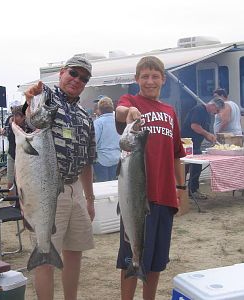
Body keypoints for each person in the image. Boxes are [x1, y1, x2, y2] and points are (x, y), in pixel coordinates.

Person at [23, 55, 96, 300]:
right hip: (46, 189)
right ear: (62, 72)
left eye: (84, 78)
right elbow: (25, 120)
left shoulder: (86, 116)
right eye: (73, 73)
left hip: (75, 189)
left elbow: (88, 160)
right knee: (45, 255)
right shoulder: (46, 98)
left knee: (74, 251)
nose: (77, 80)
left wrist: (90, 199)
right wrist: (29, 99)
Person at [115, 56, 186, 300]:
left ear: (163, 80)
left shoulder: (170, 112)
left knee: (155, 262)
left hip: (165, 196)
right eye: (144, 76)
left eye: (155, 76)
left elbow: (177, 154)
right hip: (136, 197)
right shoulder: (132, 102)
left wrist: (182, 187)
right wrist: (129, 112)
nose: (150, 81)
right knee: (131, 258)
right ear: (137, 80)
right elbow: (120, 110)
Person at [181, 97, 225, 199]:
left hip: (195, 144)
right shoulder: (199, 110)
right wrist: (207, 134)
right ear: (213, 106)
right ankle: (180, 190)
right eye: (217, 111)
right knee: (185, 167)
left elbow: (205, 131)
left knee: (196, 167)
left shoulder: (207, 115)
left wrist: (211, 137)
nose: (216, 113)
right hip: (187, 143)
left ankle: (192, 190)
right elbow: (195, 126)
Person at [2, 105, 31, 195]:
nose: (14, 118)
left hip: (24, 157)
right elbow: (7, 133)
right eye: (13, 115)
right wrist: (3, 132)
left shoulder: (29, 126)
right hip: (11, 153)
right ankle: (11, 202)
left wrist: (13, 126)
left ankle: (23, 200)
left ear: (23, 116)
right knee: (10, 179)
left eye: (16, 116)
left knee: (23, 181)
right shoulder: (10, 120)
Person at [93, 96, 120, 182]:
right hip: (116, 158)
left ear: (99, 109)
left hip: (102, 160)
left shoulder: (98, 123)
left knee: (102, 186)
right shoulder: (118, 121)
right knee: (113, 185)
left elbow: (94, 142)